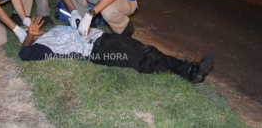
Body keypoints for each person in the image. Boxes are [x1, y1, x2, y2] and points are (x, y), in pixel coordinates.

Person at [19, 17, 214, 84]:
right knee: (138, 60)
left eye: (33, 29)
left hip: (103, 37)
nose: (34, 30)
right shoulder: (42, 47)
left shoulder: (55, 29)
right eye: (30, 31)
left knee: (146, 49)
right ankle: (188, 73)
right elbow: (24, 55)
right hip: (95, 52)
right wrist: (30, 37)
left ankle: (188, 70)